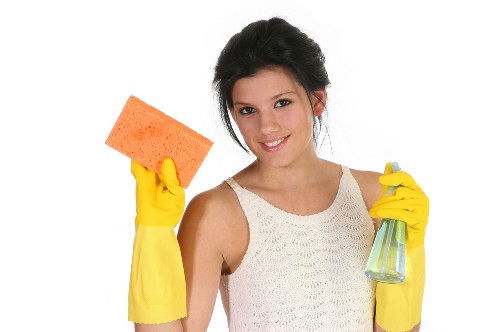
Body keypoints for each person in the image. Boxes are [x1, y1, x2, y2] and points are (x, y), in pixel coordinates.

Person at [128, 17, 429, 332]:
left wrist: (410, 252)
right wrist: (153, 233)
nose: (266, 127)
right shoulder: (215, 213)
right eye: (247, 110)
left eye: (282, 103)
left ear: (317, 100)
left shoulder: (377, 196)